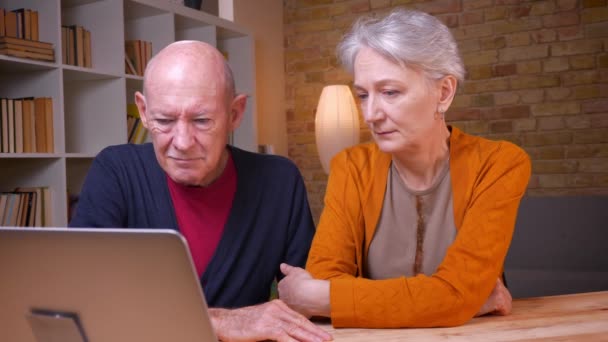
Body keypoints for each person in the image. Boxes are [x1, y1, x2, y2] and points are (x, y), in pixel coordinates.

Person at [278, 8, 531, 328]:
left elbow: (318, 296)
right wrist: (466, 303)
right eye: (362, 95)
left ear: (444, 92)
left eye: (389, 92)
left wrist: (329, 298)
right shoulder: (351, 168)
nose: (370, 114)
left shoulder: (499, 164)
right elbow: (325, 275)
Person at [70, 40, 331, 342]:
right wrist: (221, 321)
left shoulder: (279, 181)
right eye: (165, 120)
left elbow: (306, 299)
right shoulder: (116, 171)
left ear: (235, 113)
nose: (182, 141)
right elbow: (84, 300)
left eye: (202, 120)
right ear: (143, 110)